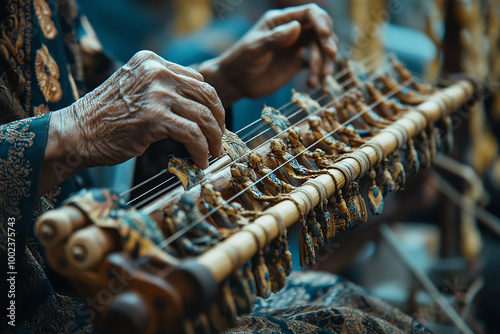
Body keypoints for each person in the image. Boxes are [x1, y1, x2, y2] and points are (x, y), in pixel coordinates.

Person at [0, 1, 429, 333]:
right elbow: (83, 119)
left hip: (97, 279)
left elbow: (89, 97)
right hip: (26, 305)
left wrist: (217, 80)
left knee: (353, 306)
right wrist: (73, 131)